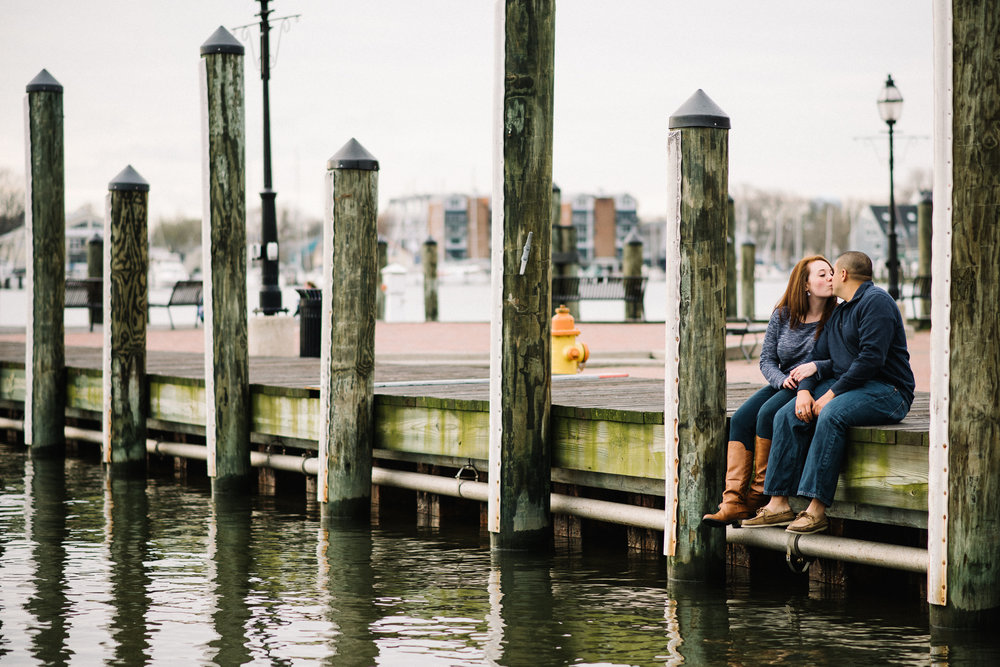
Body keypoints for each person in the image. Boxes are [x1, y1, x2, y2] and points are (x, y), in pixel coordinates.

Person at [742, 251, 915, 534]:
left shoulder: (877, 302)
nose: (830, 277)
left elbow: (871, 360)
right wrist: (804, 393)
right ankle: (778, 503)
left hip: (889, 391)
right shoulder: (841, 311)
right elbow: (816, 359)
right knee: (788, 413)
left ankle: (816, 509)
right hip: (856, 387)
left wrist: (830, 395)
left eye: (833, 272)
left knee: (831, 414)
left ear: (844, 275)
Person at [702, 255, 836, 527]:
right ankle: (732, 502)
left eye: (832, 272)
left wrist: (812, 369)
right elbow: (766, 359)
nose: (830, 277)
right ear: (806, 284)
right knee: (740, 418)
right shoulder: (783, 314)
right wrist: (780, 380)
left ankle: (758, 495)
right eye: (822, 274)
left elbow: (842, 359)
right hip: (784, 382)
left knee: (767, 415)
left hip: (817, 383)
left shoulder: (837, 316)